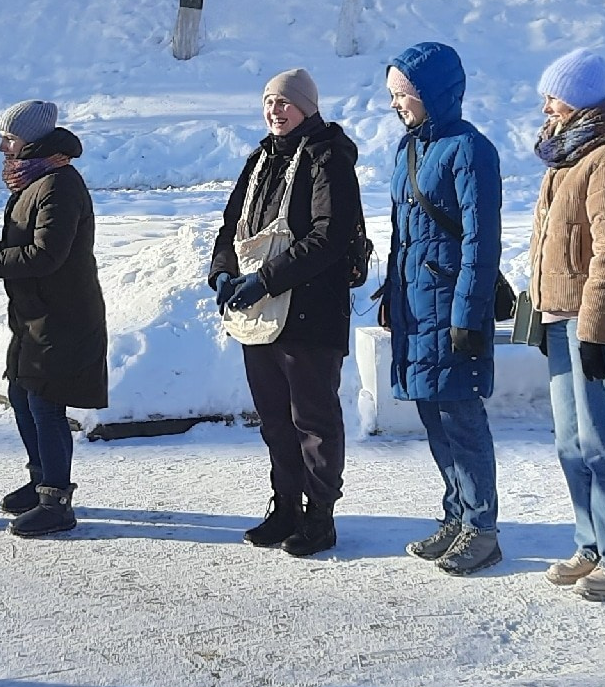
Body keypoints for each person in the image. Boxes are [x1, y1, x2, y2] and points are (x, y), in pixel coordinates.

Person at [210, 70, 366, 559]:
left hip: (310, 313)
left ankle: (320, 516)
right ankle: (286, 508)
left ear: (307, 106)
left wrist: (266, 278)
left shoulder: (328, 156)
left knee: (313, 421)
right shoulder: (260, 158)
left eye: (285, 103)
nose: (275, 111)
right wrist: (221, 271)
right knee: (275, 419)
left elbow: (330, 235)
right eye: (269, 102)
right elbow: (231, 222)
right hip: (260, 314)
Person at [524, 50, 605, 601]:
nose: (546, 104)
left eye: (554, 95)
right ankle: (592, 543)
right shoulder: (564, 156)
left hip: (593, 323)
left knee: (604, 441)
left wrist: (595, 332)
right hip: (559, 319)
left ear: (579, 100)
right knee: (571, 442)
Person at [383, 42, 506, 577]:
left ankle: (482, 529)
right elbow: (400, 236)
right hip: (414, 307)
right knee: (433, 415)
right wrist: (390, 296)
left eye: (404, 94)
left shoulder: (470, 149)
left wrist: (465, 317)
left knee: (461, 418)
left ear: (435, 93)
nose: (396, 104)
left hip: (451, 309)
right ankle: (456, 518)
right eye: (392, 94)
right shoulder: (408, 149)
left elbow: (482, 243)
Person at [0, 100, 108, 538]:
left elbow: (45, 254)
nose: (1, 146)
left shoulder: (60, 184)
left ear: (32, 140)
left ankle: (56, 500)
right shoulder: (36, 180)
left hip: (63, 316)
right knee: (22, 394)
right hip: (33, 315)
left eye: (9, 137)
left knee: (46, 403)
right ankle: (39, 477)